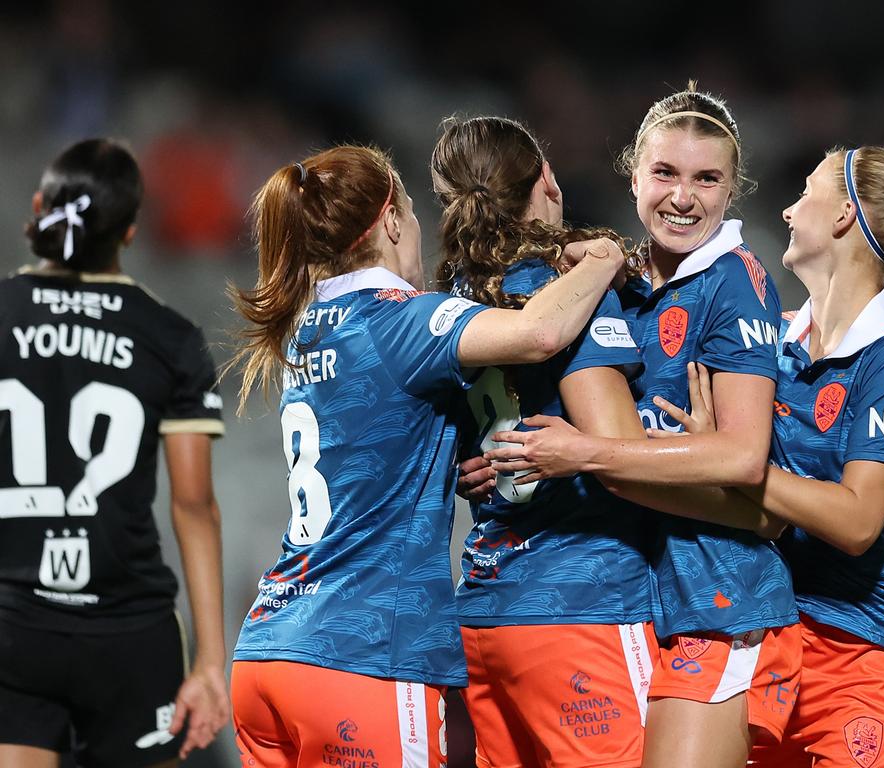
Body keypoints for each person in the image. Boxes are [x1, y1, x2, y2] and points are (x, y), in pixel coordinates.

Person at [226, 145, 628, 768]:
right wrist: (602, 257)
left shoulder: (305, 328)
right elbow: (539, 333)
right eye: (411, 212)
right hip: (362, 648)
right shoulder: (401, 321)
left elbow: (378, 441)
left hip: (267, 651)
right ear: (389, 222)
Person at [483, 85, 801, 768]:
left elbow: (744, 459)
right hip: (636, 595)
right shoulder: (613, 281)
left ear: (732, 188)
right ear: (633, 176)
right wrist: (494, 454)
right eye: (665, 173)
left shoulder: (737, 282)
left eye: (706, 178)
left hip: (720, 598)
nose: (683, 197)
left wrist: (585, 452)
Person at [709, 145, 884, 766]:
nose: (786, 211)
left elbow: (857, 521)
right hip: (770, 648)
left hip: (870, 658)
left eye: (805, 192)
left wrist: (735, 462)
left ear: (842, 215)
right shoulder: (772, 342)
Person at [431, 115, 658, 768]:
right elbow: (619, 453)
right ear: (548, 183)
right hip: (580, 605)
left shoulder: (451, 305)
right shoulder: (571, 298)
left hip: (485, 610)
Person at [0, 138, 229, 768]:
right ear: (129, 232)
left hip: (14, 623)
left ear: (41, 205)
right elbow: (194, 506)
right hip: (128, 630)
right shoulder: (170, 337)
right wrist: (210, 662)